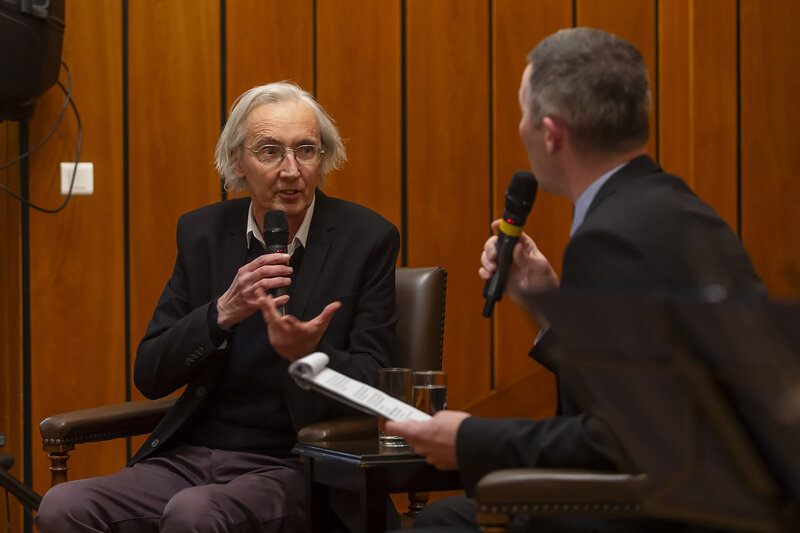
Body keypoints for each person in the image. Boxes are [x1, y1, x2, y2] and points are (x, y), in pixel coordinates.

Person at [386, 27, 765, 532]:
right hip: (734, 499)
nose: (519, 127)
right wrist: (547, 302)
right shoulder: (679, 209)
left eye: (523, 113)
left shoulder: (609, 237)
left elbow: (619, 438)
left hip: (667, 512)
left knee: (440, 523)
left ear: (551, 133)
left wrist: (469, 438)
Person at [36, 81, 400, 532]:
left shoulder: (366, 239)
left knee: (195, 512)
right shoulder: (203, 233)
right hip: (191, 458)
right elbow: (150, 373)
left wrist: (310, 355)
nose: (291, 170)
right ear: (236, 162)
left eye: (306, 150)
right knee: (63, 506)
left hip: (296, 463)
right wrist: (220, 313)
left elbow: (379, 387)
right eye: (270, 152)